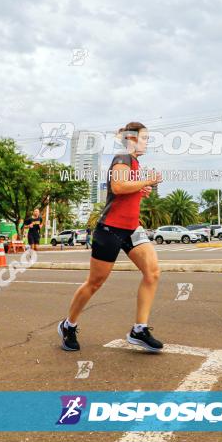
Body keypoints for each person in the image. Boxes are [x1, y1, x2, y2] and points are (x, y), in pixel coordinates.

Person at [57, 121, 164, 352]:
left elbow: (127, 187)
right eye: (144, 137)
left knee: (152, 272)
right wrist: (147, 181)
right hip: (111, 229)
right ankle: (68, 325)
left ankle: (139, 329)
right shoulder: (123, 157)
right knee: (95, 282)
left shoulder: (134, 161)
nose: (147, 142)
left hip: (132, 228)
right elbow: (118, 187)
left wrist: (140, 190)